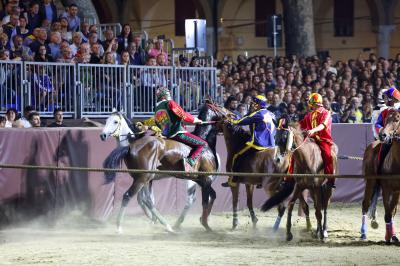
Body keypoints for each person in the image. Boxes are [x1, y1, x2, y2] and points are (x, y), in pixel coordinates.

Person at [221, 95, 276, 187]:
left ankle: (233, 180)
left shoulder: (258, 113)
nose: (253, 105)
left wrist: (230, 119)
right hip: (272, 144)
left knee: (237, 156)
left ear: (259, 104)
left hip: (259, 144)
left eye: (255, 103)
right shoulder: (271, 114)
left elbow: (239, 122)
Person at [284, 92, 335, 188]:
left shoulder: (326, 113)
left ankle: (330, 180)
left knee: (327, 155)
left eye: (311, 102)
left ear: (315, 102)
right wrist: (290, 126)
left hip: (323, 139)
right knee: (294, 152)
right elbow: (301, 124)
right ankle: (289, 178)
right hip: (310, 139)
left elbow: (323, 125)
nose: (310, 104)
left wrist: (313, 130)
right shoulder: (310, 114)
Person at [153, 87, 206, 172]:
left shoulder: (156, 108)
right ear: (164, 96)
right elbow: (183, 115)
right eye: (167, 94)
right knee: (203, 144)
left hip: (166, 135)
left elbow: (157, 122)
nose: (169, 95)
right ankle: (190, 162)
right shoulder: (170, 103)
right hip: (177, 133)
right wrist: (195, 120)